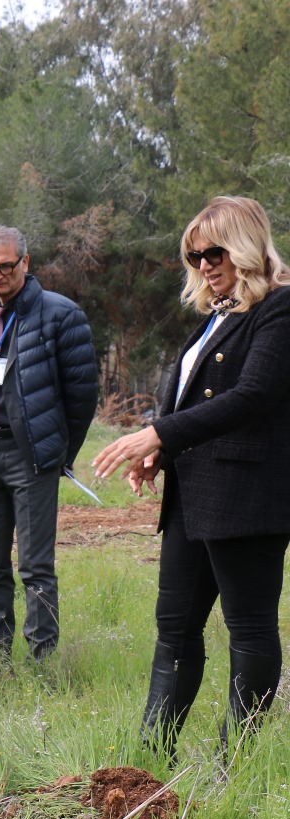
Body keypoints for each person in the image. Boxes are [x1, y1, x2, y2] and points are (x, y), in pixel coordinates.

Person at [93, 195, 290, 762]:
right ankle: (152, 763)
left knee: (248, 630)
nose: (204, 263)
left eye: (214, 250)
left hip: (249, 497)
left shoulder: (279, 309)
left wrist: (159, 435)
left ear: (247, 244)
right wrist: (161, 454)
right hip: (192, 497)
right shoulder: (217, 315)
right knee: (174, 629)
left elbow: (253, 396)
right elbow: (191, 400)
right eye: (194, 254)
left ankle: (238, 765)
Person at [0, 226, 98, 661]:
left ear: (25, 263)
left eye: (5, 266)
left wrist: (58, 454)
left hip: (31, 457)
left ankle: (43, 660)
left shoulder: (61, 314)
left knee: (36, 566)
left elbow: (82, 395)